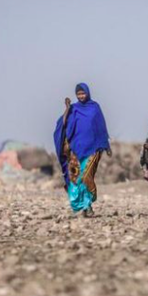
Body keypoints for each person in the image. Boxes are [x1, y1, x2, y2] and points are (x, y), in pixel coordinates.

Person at [54, 83, 112, 217]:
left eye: (83, 93)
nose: (81, 96)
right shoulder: (73, 109)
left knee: (86, 177)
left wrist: (106, 146)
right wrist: (67, 108)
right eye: (78, 94)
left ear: (88, 93)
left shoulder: (95, 108)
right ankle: (85, 207)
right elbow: (62, 124)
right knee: (75, 179)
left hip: (92, 149)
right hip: (75, 150)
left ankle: (88, 204)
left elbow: (101, 127)